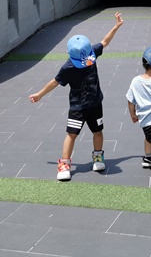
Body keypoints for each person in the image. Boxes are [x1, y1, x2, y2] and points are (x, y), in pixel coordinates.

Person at [29, 12, 124, 181]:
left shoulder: (92, 53)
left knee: (98, 132)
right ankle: (64, 164)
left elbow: (105, 42)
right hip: (77, 107)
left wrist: (116, 27)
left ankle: (98, 158)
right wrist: (40, 94)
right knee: (71, 134)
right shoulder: (68, 67)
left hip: (95, 104)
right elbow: (54, 82)